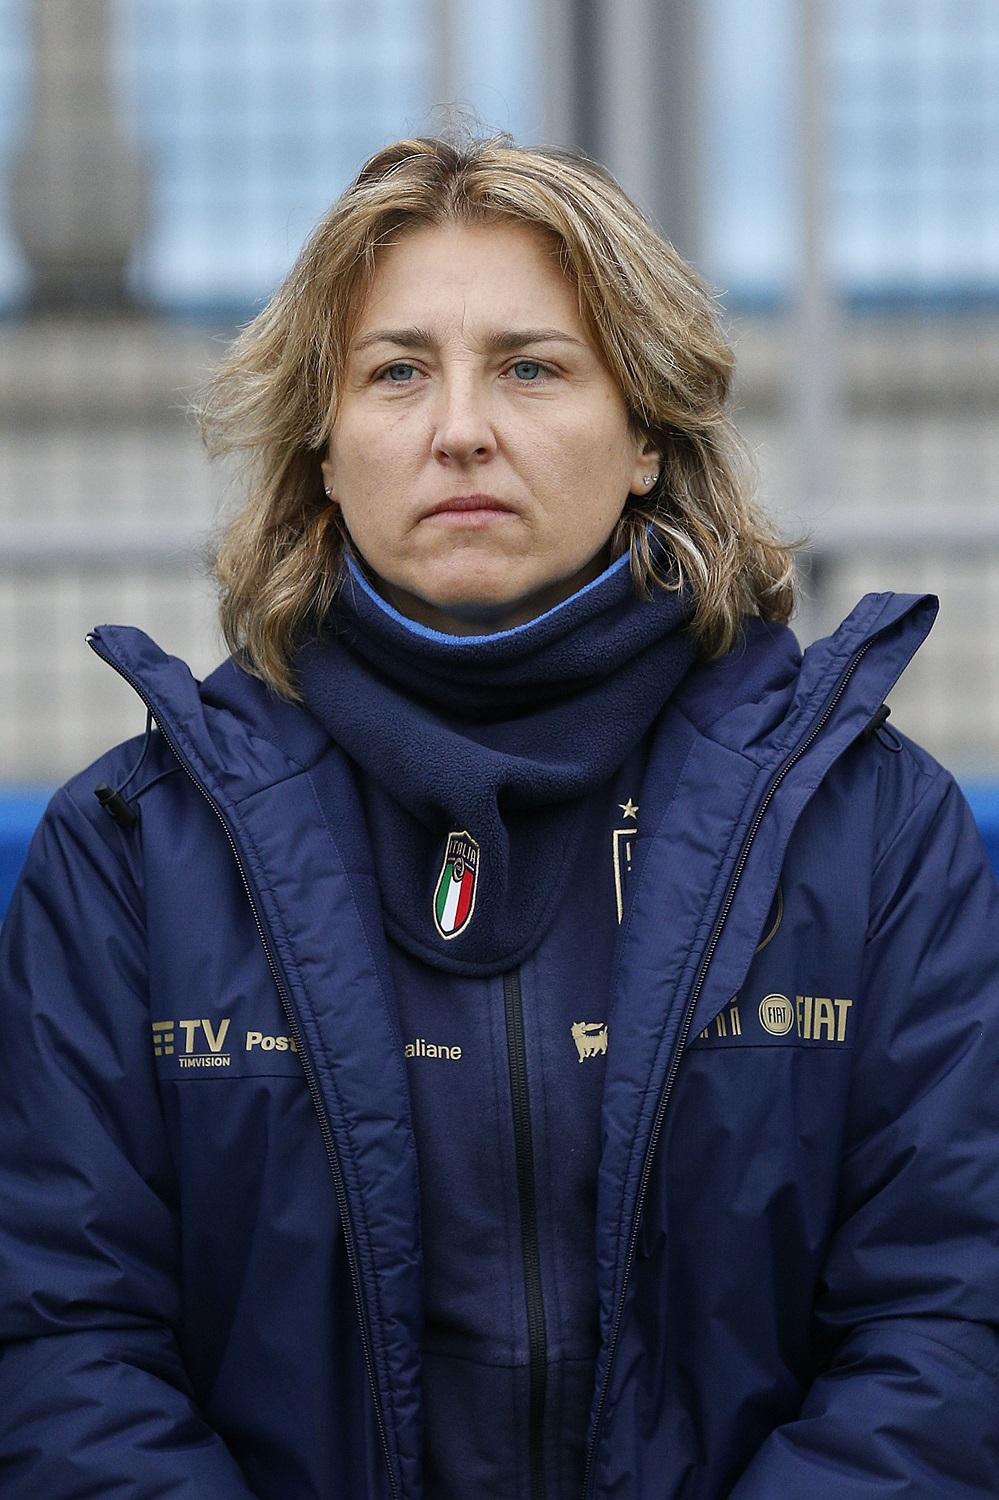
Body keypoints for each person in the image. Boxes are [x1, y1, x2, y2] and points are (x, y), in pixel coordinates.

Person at [1, 132, 997, 1500]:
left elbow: (945, 1322)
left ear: (648, 432)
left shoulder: (874, 833)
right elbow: (68, 1345)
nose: (459, 427)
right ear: (324, 442)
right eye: (397, 370)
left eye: (531, 366)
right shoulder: (130, 852)